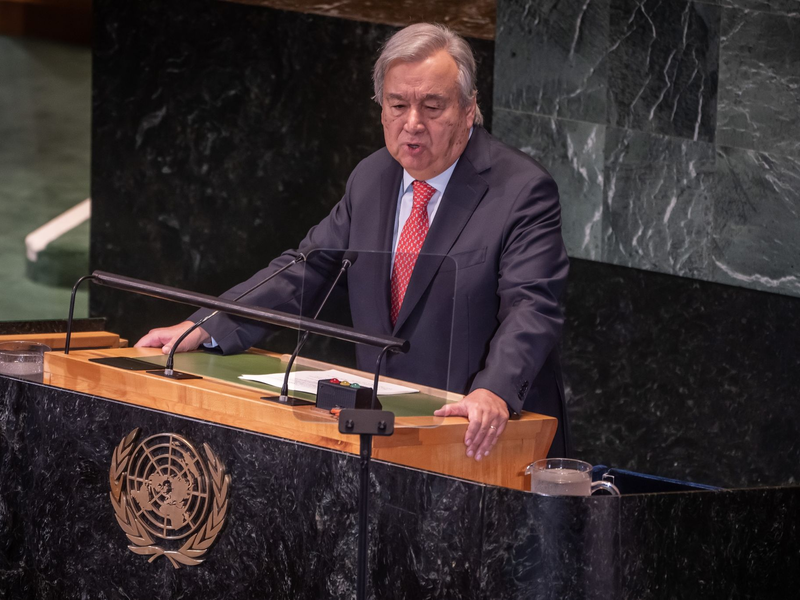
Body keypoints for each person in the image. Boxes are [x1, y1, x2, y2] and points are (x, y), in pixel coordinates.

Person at [137, 23, 570, 461]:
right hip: (388, 434)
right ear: (381, 109)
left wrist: (493, 390)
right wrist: (210, 323)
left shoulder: (521, 191)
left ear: (469, 106)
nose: (413, 124)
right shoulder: (372, 177)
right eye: (398, 105)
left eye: (433, 106)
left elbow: (531, 306)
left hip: (486, 440)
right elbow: (306, 269)